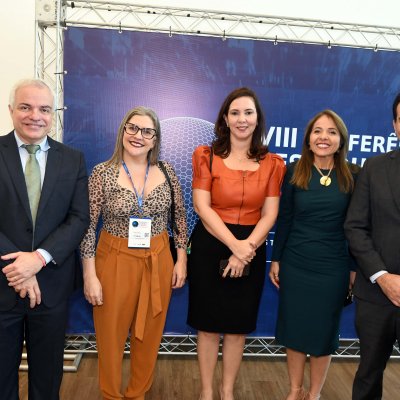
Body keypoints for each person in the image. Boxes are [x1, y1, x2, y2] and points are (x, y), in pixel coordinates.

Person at [80, 106, 187, 400]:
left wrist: (182, 260)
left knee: (150, 335)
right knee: (110, 337)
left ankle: (137, 394)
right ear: (123, 131)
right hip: (114, 259)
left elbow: (179, 218)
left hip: (159, 259)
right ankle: (112, 395)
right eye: (132, 128)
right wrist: (90, 275)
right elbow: (87, 227)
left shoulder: (167, 172)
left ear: (155, 139)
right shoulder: (102, 173)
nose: (138, 136)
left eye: (147, 131)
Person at [187, 87, 286, 400]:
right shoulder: (206, 155)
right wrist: (236, 246)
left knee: (237, 325)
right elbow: (203, 208)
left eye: (248, 112)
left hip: (252, 245)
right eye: (235, 113)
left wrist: (247, 249)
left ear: (258, 120)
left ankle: (227, 391)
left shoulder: (273, 164)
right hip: (211, 243)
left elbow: (270, 214)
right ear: (225, 120)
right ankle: (206, 391)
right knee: (207, 324)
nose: (242, 119)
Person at [0, 78, 90, 400]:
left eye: (44, 109)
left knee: (47, 380)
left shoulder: (73, 159)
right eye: (25, 107)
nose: (35, 115)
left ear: (53, 114)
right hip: (2, 284)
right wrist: (18, 266)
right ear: (11, 110)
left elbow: (80, 218)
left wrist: (38, 258)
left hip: (51, 286)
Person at [269, 110, 359, 400]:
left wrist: (353, 269)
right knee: (295, 329)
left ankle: (315, 393)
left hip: (334, 267)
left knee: (323, 333)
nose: (324, 137)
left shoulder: (355, 175)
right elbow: (285, 219)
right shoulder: (294, 171)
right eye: (318, 131)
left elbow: (359, 227)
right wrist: (277, 259)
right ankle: (295, 391)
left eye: (332, 132)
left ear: (341, 140)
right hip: (296, 263)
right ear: (308, 139)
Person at [344, 93, 400, 400]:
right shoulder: (374, 167)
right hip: (375, 293)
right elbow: (355, 226)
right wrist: (383, 276)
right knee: (368, 376)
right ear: (394, 125)